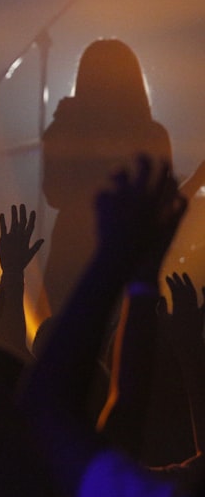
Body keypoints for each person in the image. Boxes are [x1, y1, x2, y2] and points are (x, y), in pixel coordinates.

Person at [41, 39, 171, 316]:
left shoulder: (66, 128)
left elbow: (54, 194)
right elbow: (163, 201)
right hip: (130, 254)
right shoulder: (152, 134)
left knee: (73, 348)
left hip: (74, 255)